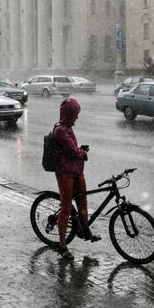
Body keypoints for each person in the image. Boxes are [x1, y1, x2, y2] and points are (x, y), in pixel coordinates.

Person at [53, 97, 100, 260]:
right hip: (65, 173)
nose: (77, 117)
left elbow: (72, 149)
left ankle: (86, 231)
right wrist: (83, 153)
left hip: (77, 171)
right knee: (66, 208)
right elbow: (72, 151)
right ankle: (62, 244)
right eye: (75, 114)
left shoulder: (68, 128)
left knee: (83, 202)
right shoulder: (60, 130)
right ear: (68, 114)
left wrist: (80, 151)